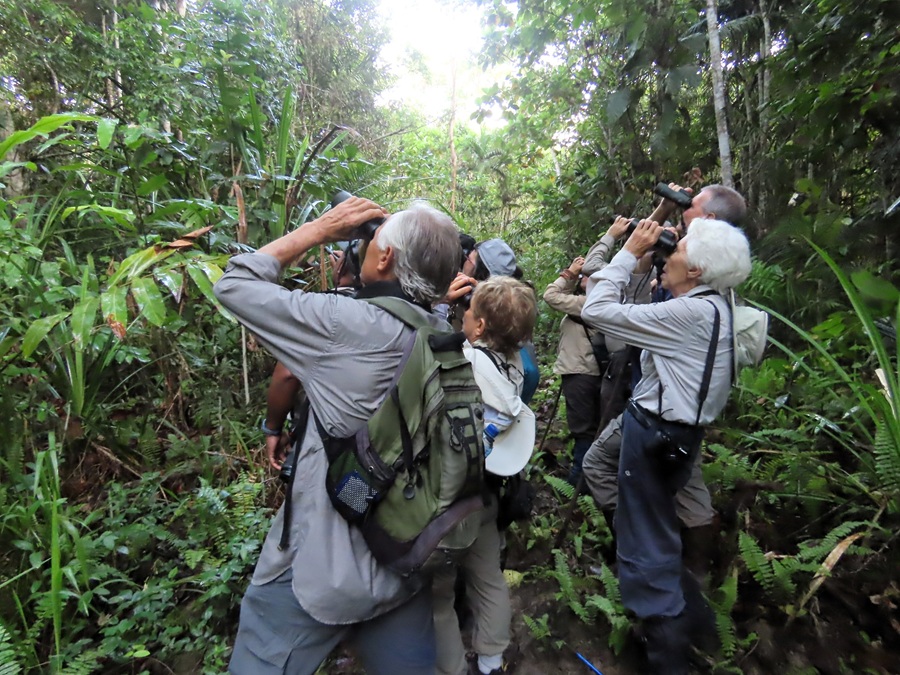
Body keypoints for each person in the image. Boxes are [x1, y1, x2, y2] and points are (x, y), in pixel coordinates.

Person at [213, 196, 462, 675]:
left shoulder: (343, 324)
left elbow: (235, 284)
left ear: (385, 257)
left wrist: (321, 229)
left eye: (373, 243)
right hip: (404, 564)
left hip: (321, 573)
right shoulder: (446, 337)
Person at [581, 218, 752, 674]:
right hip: (679, 437)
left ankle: (665, 651)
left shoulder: (688, 314)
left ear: (696, 270)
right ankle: (691, 622)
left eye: (678, 250)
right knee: (654, 531)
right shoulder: (718, 306)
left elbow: (597, 311)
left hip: (654, 434)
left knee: (647, 546)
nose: (668, 252)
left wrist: (625, 253)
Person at [580, 182, 747, 572]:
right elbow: (645, 260)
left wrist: (629, 250)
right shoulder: (716, 282)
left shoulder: (695, 294)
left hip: (658, 412)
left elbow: (602, 298)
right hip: (683, 407)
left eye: (690, 207)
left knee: (624, 477)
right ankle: (692, 570)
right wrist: (663, 211)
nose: (682, 215)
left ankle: (650, 556)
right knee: (684, 486)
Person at [433, 276, 537, 675]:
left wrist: (439, 303)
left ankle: (453, 667)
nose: (463, 316)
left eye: (469, 312)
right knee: (488, 577)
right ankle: (492, 661)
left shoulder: (468, 361)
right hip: (489, 490)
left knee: (439, 594)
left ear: (478, 327)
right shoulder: (516, 365)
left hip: (452, 493)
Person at [542, 255, 603, 485]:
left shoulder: (588, 304)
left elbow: (551, 296)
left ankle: (579, 484)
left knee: (583, 431)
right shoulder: (595, 302)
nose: (583, 277)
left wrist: (569, 272)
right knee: (587, 428)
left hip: (582, 374)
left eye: (589, 275)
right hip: (586, 371)